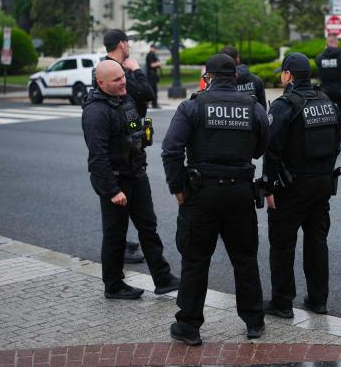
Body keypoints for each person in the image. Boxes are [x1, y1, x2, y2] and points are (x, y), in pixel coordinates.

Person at [161, 54, 269, 345]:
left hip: (201, 193)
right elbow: (262, 147)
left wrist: (178, 188)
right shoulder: (253, 107)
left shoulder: (192, 106)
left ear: (207, 76)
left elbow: (171, 150)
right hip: (240, 194)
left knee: (195, 259)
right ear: (235, 77)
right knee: (245, 259)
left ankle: (189, 326)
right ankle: (254, 321)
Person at [81, 60, 180, 299]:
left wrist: (141, 133)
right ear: (101, 83)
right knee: (115, 235)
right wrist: (113, 190)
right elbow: (97, 158)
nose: (123, 82)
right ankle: (113, 285)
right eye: (117, 80)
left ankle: (163, 278)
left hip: (136, 174)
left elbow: (133, 124)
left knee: (149, 228)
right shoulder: (95, 112)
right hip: (116, 182)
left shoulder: (125, 100)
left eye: (123, 76)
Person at [263, 52, 341, 318]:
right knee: (317, 240)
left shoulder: (285, 105)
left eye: (283, 74)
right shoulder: (327, 101)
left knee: (283, 244)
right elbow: (337, 142)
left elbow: (271, 150)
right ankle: (318, 300)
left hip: (292, 186)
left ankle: (282, 303)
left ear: (288, 75)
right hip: (322, 183)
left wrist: (269, 187)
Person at [103, 29, 157, 263]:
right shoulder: (118, 69)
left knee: (133, 201)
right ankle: (119, 247)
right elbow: (147, 93)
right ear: (122, 44)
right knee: (121, 200)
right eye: (128, 42)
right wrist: (136, 70)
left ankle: (123, 242)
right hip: (122, 143)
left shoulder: (112, 67)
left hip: (132, 133)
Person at [315, 34, 341, 150]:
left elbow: (319, 73)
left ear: (326, 43)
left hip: (326, 92)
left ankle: (330, 141)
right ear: (337, 43)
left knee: (327, 117)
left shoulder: (320, 58)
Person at [219, 45, 267, 110]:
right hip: (251, 118)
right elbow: (263, 108)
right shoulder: (256, 80)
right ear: (237, 59)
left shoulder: (215, 81)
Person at [145, 44, 162, 109]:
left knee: (151, 89)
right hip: (151, 75)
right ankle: (154, 104)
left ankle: (150, 103)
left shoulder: (151, 54)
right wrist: (158, 63)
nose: (155, 50)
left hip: (151, 75)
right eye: (155, 48)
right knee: (153, 90)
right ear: (152, 48)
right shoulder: (151, 54)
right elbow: (151, 65)